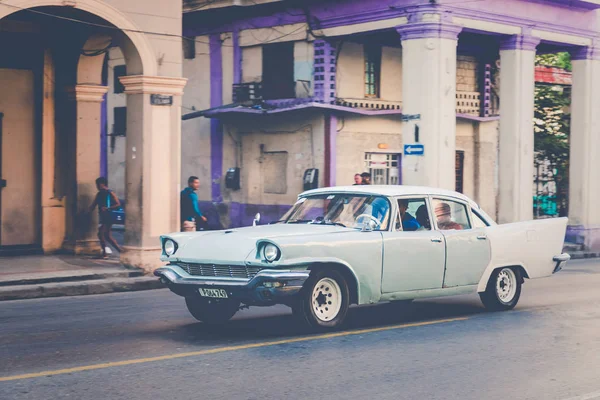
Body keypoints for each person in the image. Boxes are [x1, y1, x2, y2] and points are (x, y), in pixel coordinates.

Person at [89, 177, 123, 259]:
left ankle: (104, 253)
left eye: (97, 184)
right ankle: (120, 251)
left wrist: (108, 208)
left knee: (101, 233)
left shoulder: (109, 192)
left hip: (108, 216)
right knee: (107, 235)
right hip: (104, 216)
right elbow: (94, 204)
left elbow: (118, 204)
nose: (96, 186)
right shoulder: (99, 193)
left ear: (102, 184)